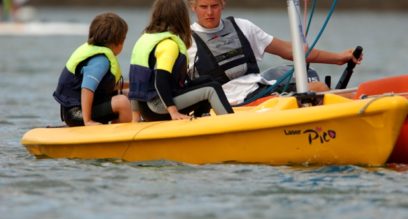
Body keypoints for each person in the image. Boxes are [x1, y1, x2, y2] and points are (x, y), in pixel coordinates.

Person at [187, 0, 363, 104]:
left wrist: (339, 58)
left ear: (223, 4)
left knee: (334, 91)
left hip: (260, 90)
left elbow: (291, 51)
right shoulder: (186, 42)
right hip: (231, 104)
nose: (209, 12)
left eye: (214, 5)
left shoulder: (242, 27)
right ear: (193, 7)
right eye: (203, 6)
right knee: (319, 89)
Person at [128, 0, 234, 122]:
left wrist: (135, 118)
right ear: (181, 17)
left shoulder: (145, 39)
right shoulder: (169, 45)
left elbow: (135, 82)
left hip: (147, 108)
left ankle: (200, 121)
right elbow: (160, 80)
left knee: (207, 80)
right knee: (212, 88)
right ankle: (235, 128)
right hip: (159, 107)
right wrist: (173, 112)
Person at [53, 12, 132, 126]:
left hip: (85, 107)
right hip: (76, 113)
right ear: (118, 42)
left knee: (129, 94)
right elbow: (87, 89)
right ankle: (118, 131)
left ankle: (118, 124)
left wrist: (132, 85)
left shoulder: (97, 54)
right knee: (123, 103)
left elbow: (105, 87)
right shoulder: (100, 61)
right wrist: (88, 121)